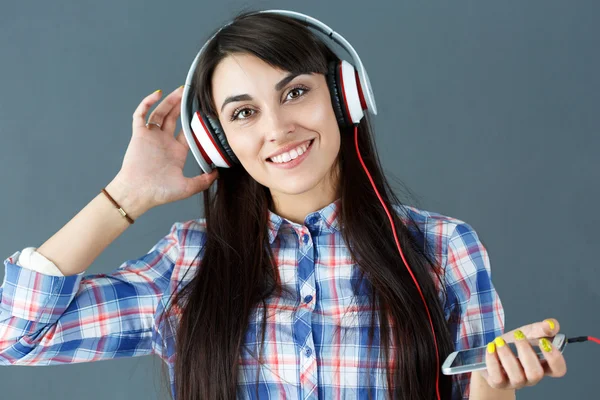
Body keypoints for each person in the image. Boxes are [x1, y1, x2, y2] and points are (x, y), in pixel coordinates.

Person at [0, 10, 566, 400]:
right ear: (217, 142)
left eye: (296, 92)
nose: (279, 129)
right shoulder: (189, 265)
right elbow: (13, 336)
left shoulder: (444, 250)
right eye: (244, 113)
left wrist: (496, 382)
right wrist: (126, 195)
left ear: (344, 96)